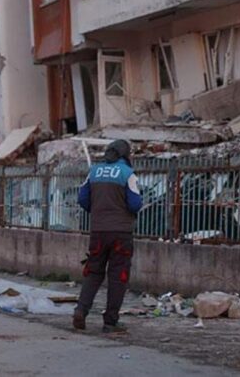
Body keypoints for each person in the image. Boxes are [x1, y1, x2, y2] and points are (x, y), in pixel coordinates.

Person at [73, 139, 142, 333]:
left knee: (93, 272)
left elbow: (82, 198)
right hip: (121, 232)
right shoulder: (128, 174)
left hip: (98, 231)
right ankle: (110, 322)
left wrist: (96, 211)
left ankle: (81, 310)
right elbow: (135, 204)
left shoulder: (94, 171)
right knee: (118, 276)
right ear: (125, 155)